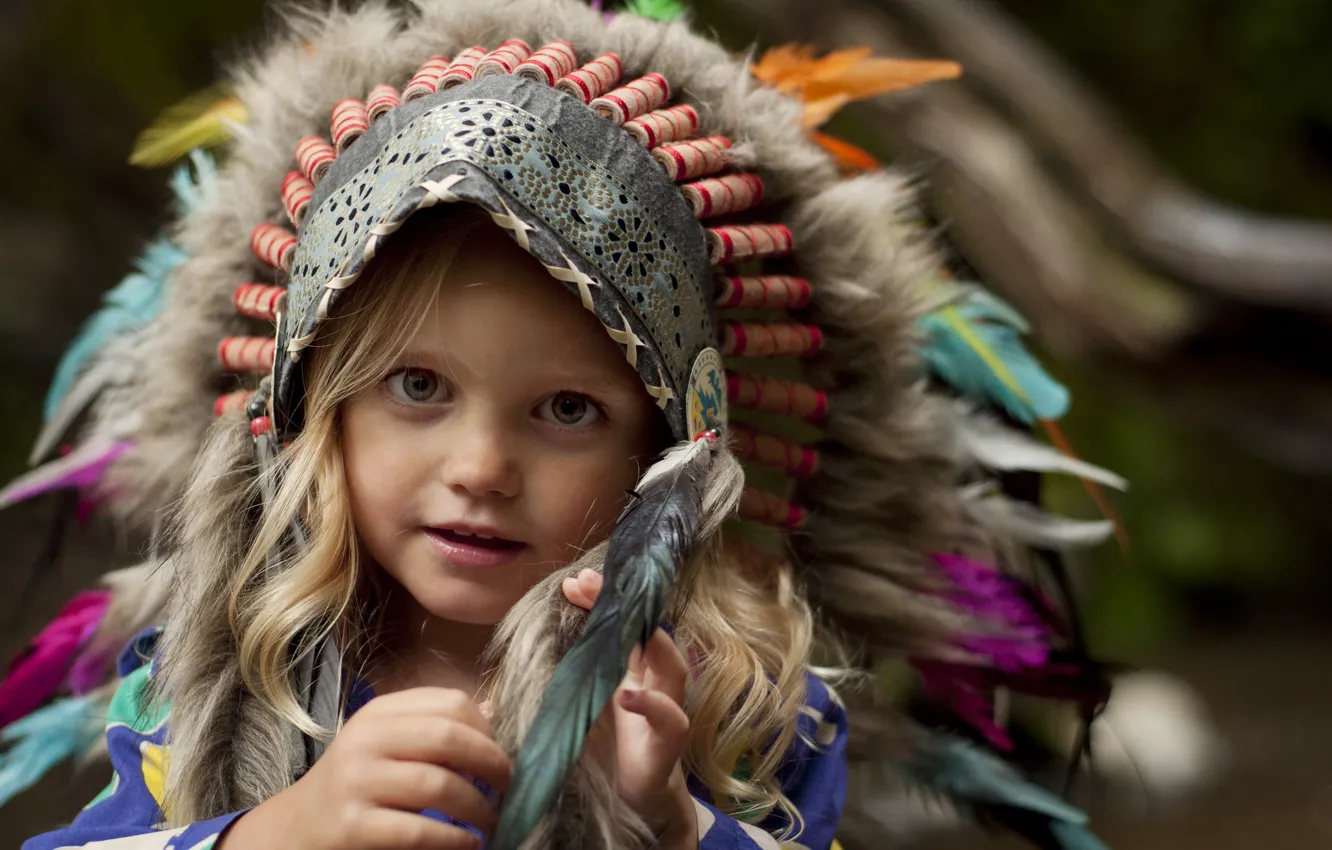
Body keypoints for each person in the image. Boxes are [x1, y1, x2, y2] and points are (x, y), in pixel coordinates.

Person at [2, 2, 1120, 849]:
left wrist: (666, 820)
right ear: (315, 412)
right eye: (418, 388)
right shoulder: (224, 675)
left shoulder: (737, 702)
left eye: (568, 410)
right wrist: (274, 834)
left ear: (661, 451)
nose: (483, 467)